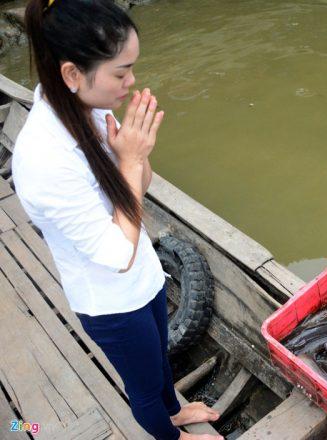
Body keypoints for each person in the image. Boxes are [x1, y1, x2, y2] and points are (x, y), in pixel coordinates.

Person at [14, 1, 222, 439]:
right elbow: (115, 255)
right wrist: (128, 163)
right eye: (121, 72)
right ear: (72, 73)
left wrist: (136, 157)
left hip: (143, 274)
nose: (131, 83)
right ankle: (171, 435)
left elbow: (136, 188)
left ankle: (175, 411)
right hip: (111, 301)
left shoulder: (86, 107)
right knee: (143, 389)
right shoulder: (43, 159)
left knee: (160, 361)